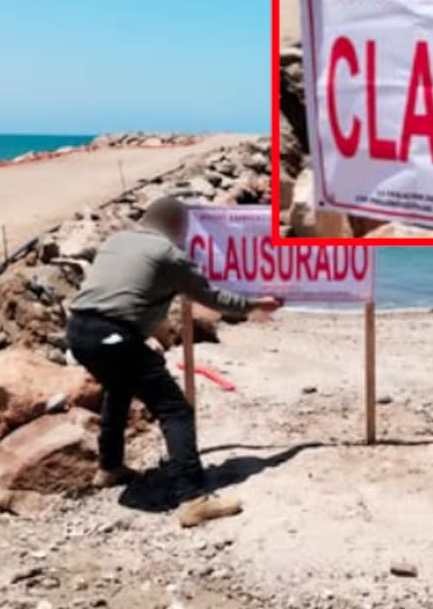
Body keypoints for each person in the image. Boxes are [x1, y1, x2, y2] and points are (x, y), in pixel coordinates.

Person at [67, 195, 282, 527]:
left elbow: (119, 292)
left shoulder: (117, 240)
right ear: (178, 226)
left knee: (118, 389)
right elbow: (214, 297)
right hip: (114, 336)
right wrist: (255, 305)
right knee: (176, 410)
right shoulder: (169, 254)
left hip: (79, 331)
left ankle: (109, 468)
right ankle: (193, 498)